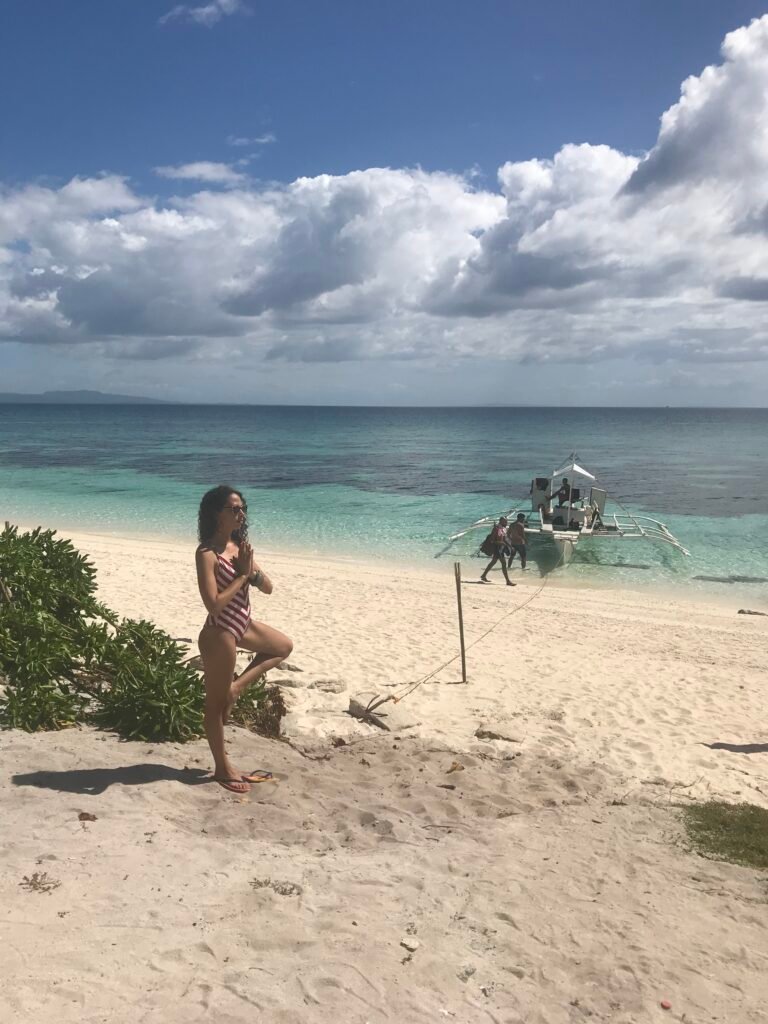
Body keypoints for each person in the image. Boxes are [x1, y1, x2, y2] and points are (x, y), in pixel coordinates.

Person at [196, 485, 293, 794]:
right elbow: (212, 604)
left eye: (242, 508)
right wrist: (240, 576)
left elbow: (268, 588)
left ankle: (236, 687)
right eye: (233, 509)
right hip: (219, 633)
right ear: (216, 514)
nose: (240, 513)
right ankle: (222, 768)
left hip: (243, 624)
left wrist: (251, 571)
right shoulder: (206, 554)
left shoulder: (240, 547)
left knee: (282, 646)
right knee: (214, 707)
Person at [480, 516, 515, 586]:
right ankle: (508, 581)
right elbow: (492, 540)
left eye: (506, 521)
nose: (507, 523)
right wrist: (500, 543)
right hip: (497, 548)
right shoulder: (496, 529)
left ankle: (483, 576)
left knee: (493, 562)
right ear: (501, 521)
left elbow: (504, 538)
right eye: (505, 521)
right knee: (504, 564)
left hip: (501, 548)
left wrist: (510, 546)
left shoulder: (503, 529)